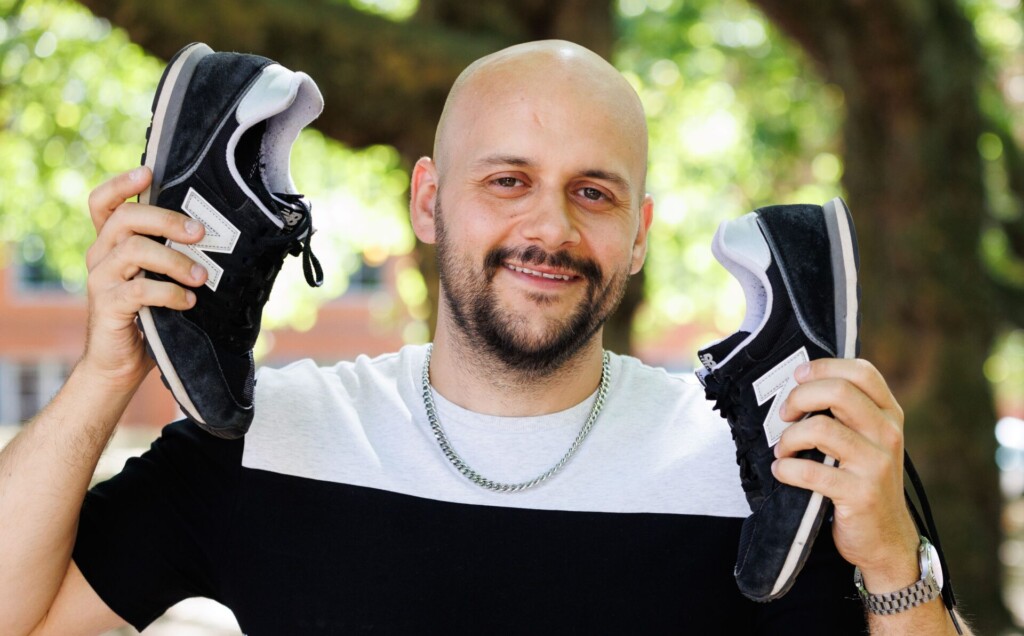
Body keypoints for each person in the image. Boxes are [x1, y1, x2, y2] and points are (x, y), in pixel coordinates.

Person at [0, 40, 970, 635]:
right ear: (428, 202)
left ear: (636, 237)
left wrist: (890, 557)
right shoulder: (264, 437)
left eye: (592, 193)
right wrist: (100, 374)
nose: (549, 229)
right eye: (505, 180)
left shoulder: (753, 474)